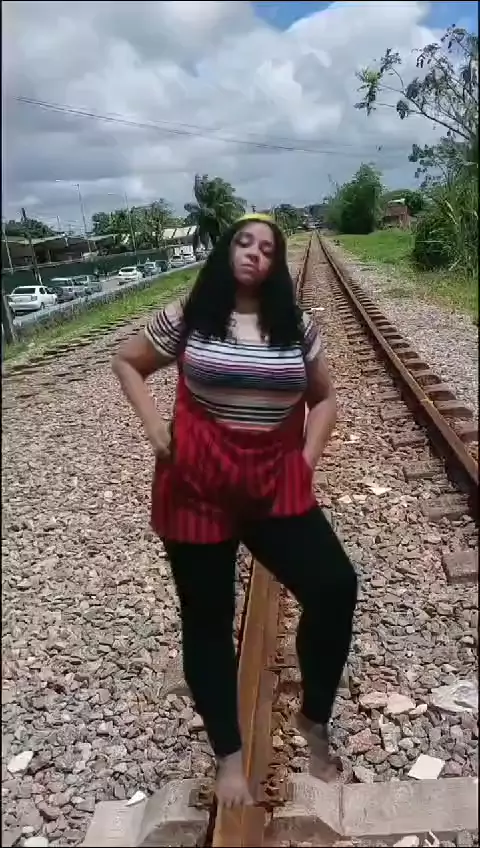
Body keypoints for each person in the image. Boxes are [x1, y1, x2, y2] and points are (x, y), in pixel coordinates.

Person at [112, 214, 357, 807]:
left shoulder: (296, 326)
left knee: (334, 587)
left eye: (267, 248)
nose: (254, 253)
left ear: (276, 264)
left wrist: (307, 459)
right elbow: (127, 360)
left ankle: (313, 717)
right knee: (207, 619)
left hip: (273, 484)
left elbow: (324, 398)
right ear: (226, 251)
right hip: (196, 487)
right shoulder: (192, 315)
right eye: (244, 242)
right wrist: (155, 428)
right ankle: (227, 756)